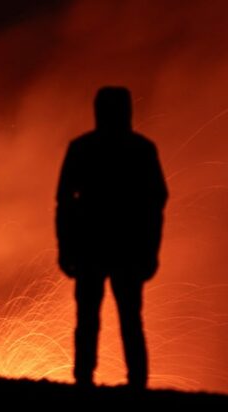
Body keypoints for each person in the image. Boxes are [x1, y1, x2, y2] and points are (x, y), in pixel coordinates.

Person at [55, 86, 168, 388]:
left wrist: (66, 248)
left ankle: (84, 379)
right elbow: (155, 203)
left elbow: (64, 202)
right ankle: (135, 381)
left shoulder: (82, 148)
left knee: (92, 319)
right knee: (128, 319)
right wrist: (150, 250)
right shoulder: (142, 150)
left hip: (94, 246)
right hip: (124, 248)